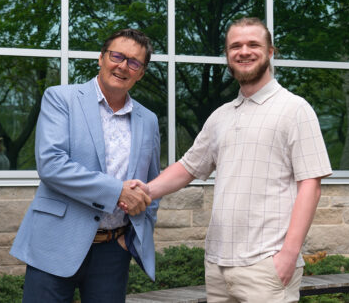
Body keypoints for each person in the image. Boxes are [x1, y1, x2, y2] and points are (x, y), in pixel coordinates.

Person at [128, 18, 332, 302]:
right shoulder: (221, 116)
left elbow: (311, 185)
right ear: (227, 55)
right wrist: (146, 191)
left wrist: (288, 254)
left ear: (270, 52)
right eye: (235, 46)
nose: (244, 51)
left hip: (266, 264)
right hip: (218, 265)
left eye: (253, 44)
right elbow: (188, 167)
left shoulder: (295, 109)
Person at [10, 28, 160, 303]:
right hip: (55, 242)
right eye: (117, 56)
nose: (123, 66)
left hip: (113, 249)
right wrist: (117, 191)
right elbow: (52, 165)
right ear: (101, 58)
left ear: (141, 72)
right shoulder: (61, 98)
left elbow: (151, 186)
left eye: (134, 62)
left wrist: (133, 235)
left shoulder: (148, 119)